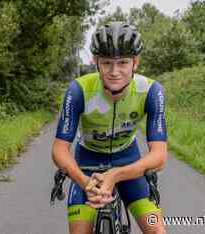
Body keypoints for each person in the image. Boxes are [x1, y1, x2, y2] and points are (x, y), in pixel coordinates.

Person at [52, 21, 168, 234]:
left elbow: (159, 156)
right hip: (87, 165)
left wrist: (114, 175)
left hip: (129, 165)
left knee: (157, 231)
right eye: (107, 63)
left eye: (123, 62)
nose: (115, 72)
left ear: (136, 62)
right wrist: (85, 182)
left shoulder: (151, 91)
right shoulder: (78, 90)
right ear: (96, 62)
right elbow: (59, 149)